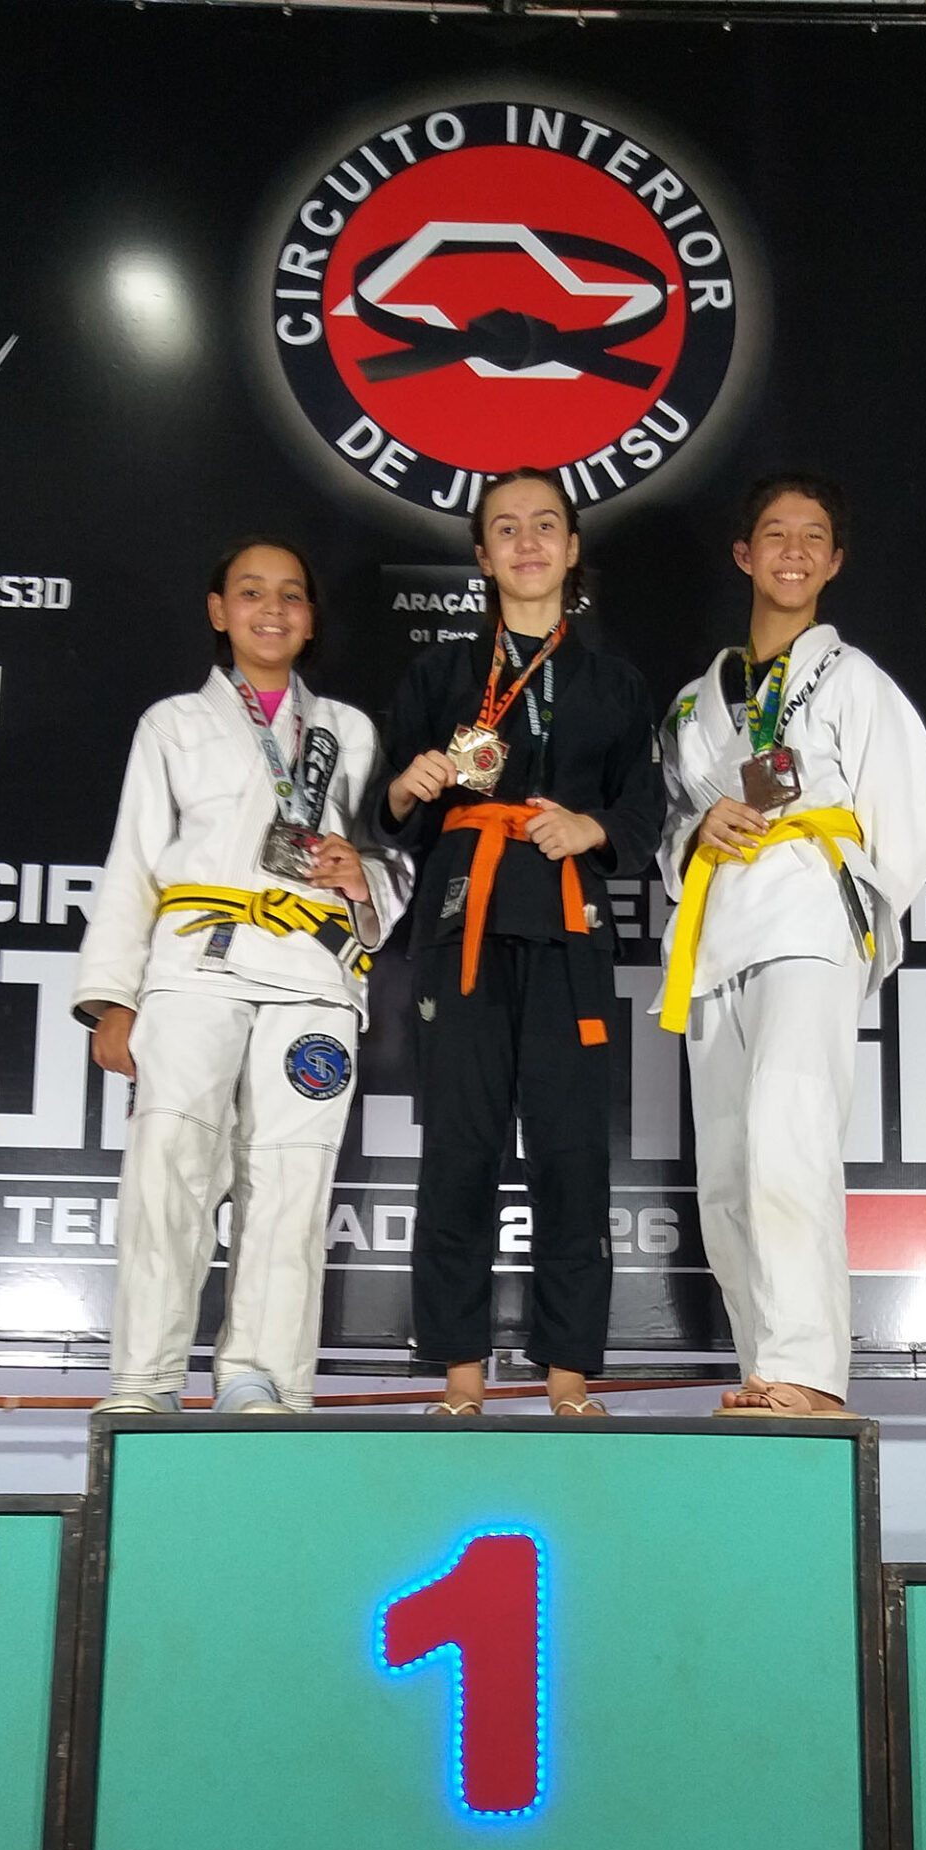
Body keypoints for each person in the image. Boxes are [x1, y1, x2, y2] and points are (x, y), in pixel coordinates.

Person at [74, 538, 409, 1414]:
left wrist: (365, 876)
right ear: (219, 612)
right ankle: (145, 1378)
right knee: (169, 1166)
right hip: (197, 966)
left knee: (293, 1179)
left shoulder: (350, 730)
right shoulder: (174, 723)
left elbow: (390, 853)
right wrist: (113, 998)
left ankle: (264, 1380)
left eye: (291, 595)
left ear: (311, 620)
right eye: (252, 592)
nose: (273, 609)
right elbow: (133, 859)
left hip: (311, 972)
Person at [658, 474, 926, 1418]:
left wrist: (852, 909)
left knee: (790, 1135)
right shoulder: (693, 704)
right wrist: (697, 836)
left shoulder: (854, 681)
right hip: (716, 933)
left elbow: (906, 823)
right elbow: (673, 830)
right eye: (773, 534)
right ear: (744, 555)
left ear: (834, 561)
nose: (791, 551)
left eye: (811, 537)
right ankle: (764, 1370)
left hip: (812, 923)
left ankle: (810, 1371)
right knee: (728, 1168)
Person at [375, 468, 660, 1417]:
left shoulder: (615, 683)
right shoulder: (440, 675)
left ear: (573, 549)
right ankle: (461, 1374)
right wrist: (409, 787)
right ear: (482, 555)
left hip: (568, 930)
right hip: (462, 926)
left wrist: (591, 828)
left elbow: (644, 811)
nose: (527, 542)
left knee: (572, 1152)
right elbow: (390, 809)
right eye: (506, 528)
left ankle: (568, 1374)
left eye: (546, 526)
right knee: (459, 1147)